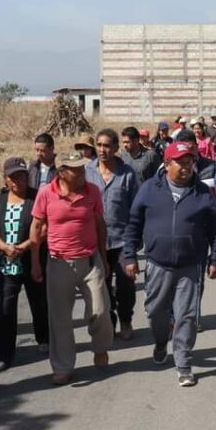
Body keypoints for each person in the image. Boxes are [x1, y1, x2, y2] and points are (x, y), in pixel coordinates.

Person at [122, 141, 216, 387]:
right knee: (156, 311)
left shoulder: (201, 192)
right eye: (180, 162)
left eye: (190, 161)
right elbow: (134, 224)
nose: (186, 166)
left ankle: (183, 362)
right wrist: (129, 255)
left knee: (187, 316)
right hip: (158, 263)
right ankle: (160, 341)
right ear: (167, 164)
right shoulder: (149, 189)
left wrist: (215, 258)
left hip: (191, 265)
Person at [29, 151, 113, 385]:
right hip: (58, 262)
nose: (81, 173)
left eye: (82, 168)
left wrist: (104, 259)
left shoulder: (93, 191)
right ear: (62, 172)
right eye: (75, 169)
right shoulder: (46, 194)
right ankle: (63, 366)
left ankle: (100, 347)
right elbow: (36, 227)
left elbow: (99, 225)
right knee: (60, 319)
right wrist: (36, 262)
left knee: (100, 309)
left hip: (89, 260)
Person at [0, 157, 47, 371]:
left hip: (33, 261)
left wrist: (24, 246)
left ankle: (45, 339)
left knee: (39, 303)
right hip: (6, 264)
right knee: (5, 309)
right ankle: (3, 354)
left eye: (21, 176)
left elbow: (44, 228)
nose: (17, 181)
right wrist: (4, 247)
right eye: (12, 177)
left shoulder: (37, 198)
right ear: (5, 179)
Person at [86, 129, 139, 340]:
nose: (102, 150)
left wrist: (136, 239)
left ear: (116, 148)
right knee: (102, 286)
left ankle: (126, 319)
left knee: (126, 283)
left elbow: (136, 208)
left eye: (107, 145)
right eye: (99, 145)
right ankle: (110, 323)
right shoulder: (87, 172)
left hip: (123, 239)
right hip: (95, 241)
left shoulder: (127, 174)